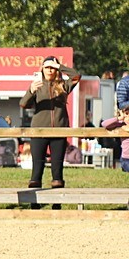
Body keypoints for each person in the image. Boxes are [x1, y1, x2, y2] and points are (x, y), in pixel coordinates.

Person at [19, 55, 81, 188]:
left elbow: (76, 76)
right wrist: (31, 91)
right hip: (39, 130)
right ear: (42, 69)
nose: (50, 70)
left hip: (59, 130)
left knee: (57, 168)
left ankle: (57, 195)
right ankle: (34, 194)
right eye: (47, 67)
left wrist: (60, 66)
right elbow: (23, 104)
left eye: (52, 67)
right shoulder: (37, 85)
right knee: (37, 166)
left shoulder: (63, 85)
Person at [101, 107, 129, 172]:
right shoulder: (121, 124)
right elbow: (104, 124)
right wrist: (119, 118)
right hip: (126, 158)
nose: (128, 117)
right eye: (126, 114)